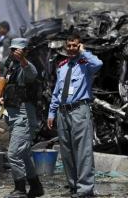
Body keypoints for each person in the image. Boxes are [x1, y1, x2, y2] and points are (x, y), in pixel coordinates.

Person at [47, 33, 103, 198]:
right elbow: (57, 92)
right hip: (63, 112)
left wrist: (83, 51)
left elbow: (99, 63)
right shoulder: (62, 66)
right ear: (65, 46)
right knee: (67, 151)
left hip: (79, 110)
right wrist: (51, 112)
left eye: (75, 45)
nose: (71, 48)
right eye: (69, 45)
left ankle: (85, 189)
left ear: (79, 46)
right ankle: (73, 186)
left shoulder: (85, 64)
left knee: (82, 151)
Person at [2, 38, 44, 198]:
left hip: (24, 117)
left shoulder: (27, 66)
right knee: (24, 155)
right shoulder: (11, 67)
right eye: (12, 49)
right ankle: (36, 187)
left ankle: (20, 189)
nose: (14, 53)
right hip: (13, 117)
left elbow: (31, 74)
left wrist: (23, 60)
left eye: (18, 50)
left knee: (13, 154)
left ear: (26, 51)